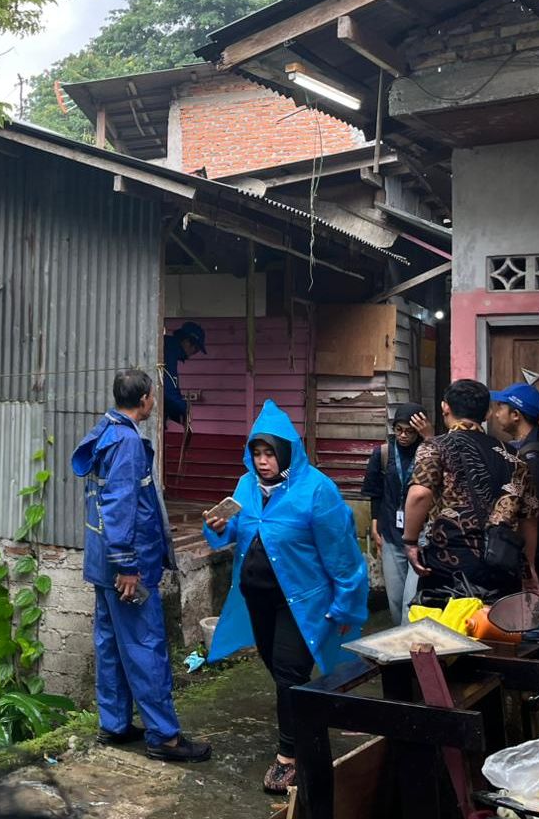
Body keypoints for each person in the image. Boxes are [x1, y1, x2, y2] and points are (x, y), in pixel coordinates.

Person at [203, 400, 368, 795]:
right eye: (256, 453)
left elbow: (343, 554)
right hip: (257, 599)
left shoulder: (317, 491)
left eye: (269, 453)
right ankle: (309, 717)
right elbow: (231, 534)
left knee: (290, 672)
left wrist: (346, 602)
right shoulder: (246, 486)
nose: (262, 461)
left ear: (287, 451)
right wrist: (217, 527)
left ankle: (290, 755)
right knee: (279, 669)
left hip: (302, 601)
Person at [71, 368, 211, 763]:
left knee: (112, 644)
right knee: (144, 646)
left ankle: (114, 725)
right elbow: (119, 507)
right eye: (154, 396)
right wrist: (127, 566)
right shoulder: (128, 443)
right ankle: (164, 737)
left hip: (101, 563)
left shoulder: (104, 430)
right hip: (126, 567)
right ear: (147, 399)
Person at [402, 380, 539, 604]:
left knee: (444, 634)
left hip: (448, 567)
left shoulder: (434, 447)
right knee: (493, 634)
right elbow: (529, 519)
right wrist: (529, 568)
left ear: (445, 407)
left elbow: (419, 494)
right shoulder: (515, 458)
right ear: (486, 413)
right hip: (501, 566)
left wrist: (409, 542)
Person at [361, 403, 434, 624]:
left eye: (410, 431)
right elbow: (375, 491)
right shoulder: (382, 453)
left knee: (410, 601)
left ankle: (408, 653)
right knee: (394, 599)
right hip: (391, 533)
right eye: (399, 429)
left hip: (421, 536)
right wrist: (375, 524)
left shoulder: (429, 451)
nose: (403, 436)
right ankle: (400, 643)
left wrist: (430, 437)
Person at [488, 382, 539, 603]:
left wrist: (530, 565)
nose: (496, 414)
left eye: (500, 407)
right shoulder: (522, 450)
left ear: (515, 414)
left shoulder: (534, 459)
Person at [162, 322, 206, 427]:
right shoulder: (170, 352)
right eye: (195, 349)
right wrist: (184, 410)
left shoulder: (169, 347)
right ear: (186, 342)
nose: (194, 353)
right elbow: (169, 389)